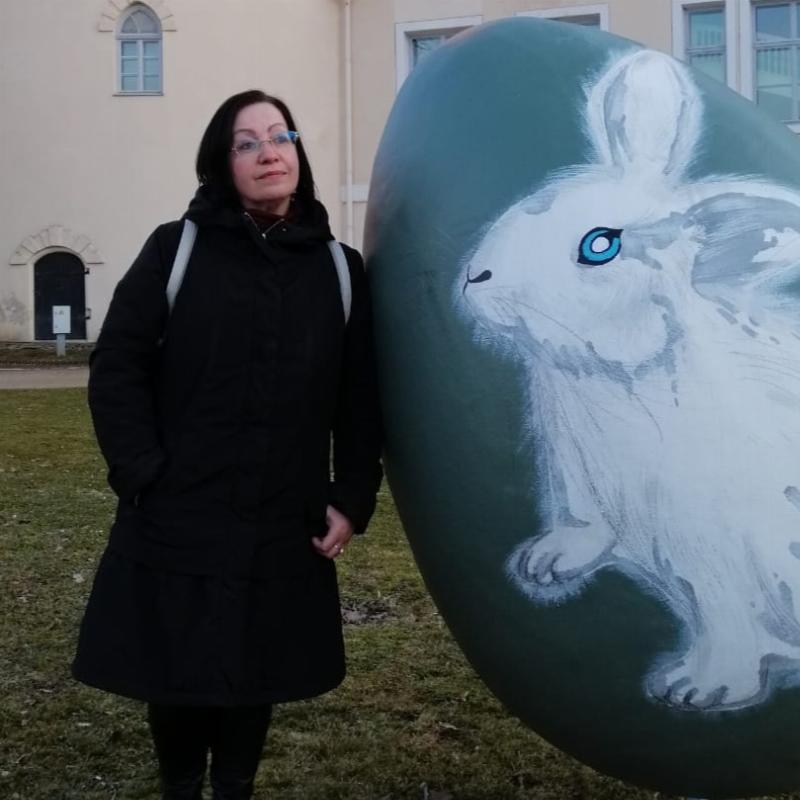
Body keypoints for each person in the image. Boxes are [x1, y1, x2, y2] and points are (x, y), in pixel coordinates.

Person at [72, 89, 383, 800]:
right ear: (222, 164)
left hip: (284, 509)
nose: (269, 152)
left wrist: (351, 496)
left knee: (256, 660)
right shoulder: (174, 249)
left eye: (280, 136)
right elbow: (117, 366)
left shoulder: (339, 269)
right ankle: (182, 786)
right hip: (179, 504)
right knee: (176, 664)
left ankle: (234, 787)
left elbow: (360, 398)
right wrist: (141, 471)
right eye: (247, 143)